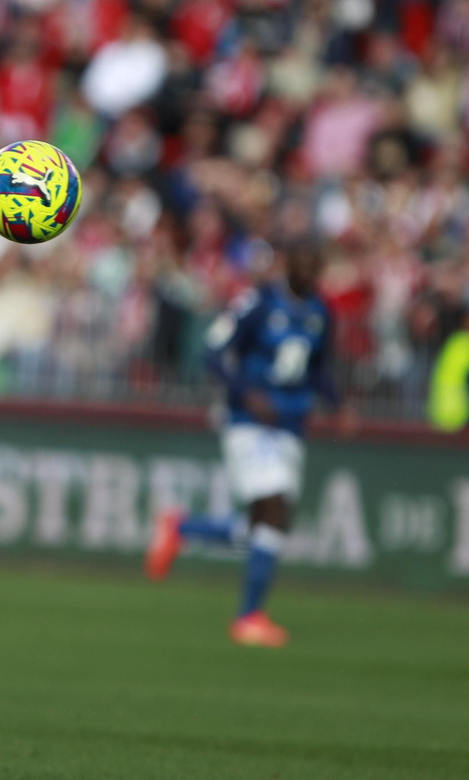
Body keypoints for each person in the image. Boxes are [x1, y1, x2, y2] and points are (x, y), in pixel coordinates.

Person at [145, 242, 355, 647]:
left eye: (316, 268)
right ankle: (248, 617)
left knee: (266, 525)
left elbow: (320, 367)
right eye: (303, 264)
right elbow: (214, 352)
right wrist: (246, 394)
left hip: (292, 425)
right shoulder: (258, 303)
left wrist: (338, 405)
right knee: (273, 509)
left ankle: (183, 527)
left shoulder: (320, 312)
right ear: (287, 265)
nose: (309, 275)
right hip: (249, 424)